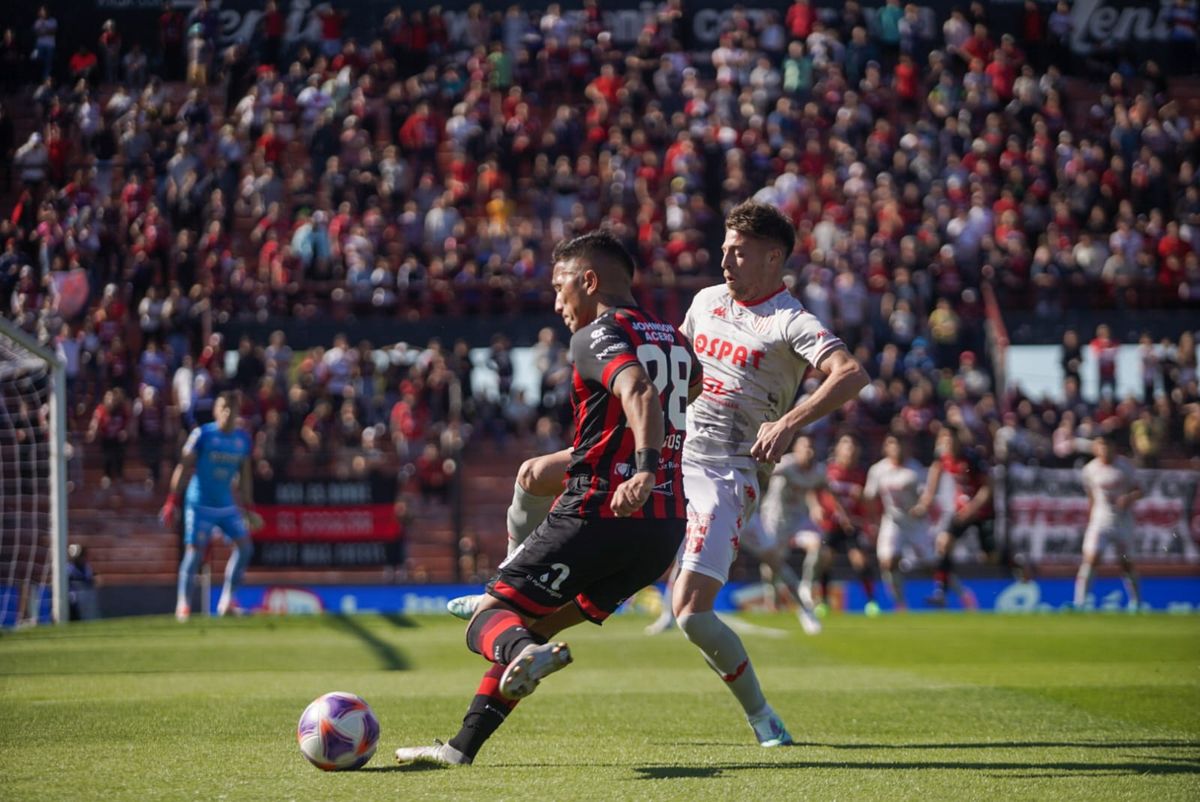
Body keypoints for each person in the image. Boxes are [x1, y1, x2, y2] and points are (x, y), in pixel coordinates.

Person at [447, 201, 867, 748]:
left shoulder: (791, 322)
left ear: (773, 257)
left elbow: (850, 373)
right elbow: (683, 372)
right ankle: (509, 582)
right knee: (532, 474)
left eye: (738, 253)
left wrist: (788, 421)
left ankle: (764, 717)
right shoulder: (707, 301)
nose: (725, 262)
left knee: (690, 613)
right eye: (723, 250)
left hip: (725, 468)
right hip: (671, 446)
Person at [395, 230, 700, 767]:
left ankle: (521, 645)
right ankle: (461, 748)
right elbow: (685, 390)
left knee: (488, 622)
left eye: (561, 288)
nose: (557, 304)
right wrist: (621, 454)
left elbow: (640, 392)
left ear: (589, 280)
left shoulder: (597, 335)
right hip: (661, 530)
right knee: (531, 623)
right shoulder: (674, 337)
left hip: (600, 510)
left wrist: (642, 468)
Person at [160, 391, 259, 622]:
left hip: (225, 504)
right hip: (199, 504)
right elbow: (183, 467)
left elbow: (245, 477)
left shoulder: (242, 440)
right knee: (194, 554)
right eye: (223, 407)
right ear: (216, 410)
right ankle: (183, 606)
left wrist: (248, 507)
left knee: (245, 548)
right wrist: (172, 500)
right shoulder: (202, 435)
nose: (227, 412)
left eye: (232, 408)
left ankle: (227, 602)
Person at [911, 426, 993, 608]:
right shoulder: (942, 458)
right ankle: (940, 592)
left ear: (958, 438)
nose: (945, 440)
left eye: (949, 436)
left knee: (991, 558)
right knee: (943, 542)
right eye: (942, 437)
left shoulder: (972, 457)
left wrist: (972, 508)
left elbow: (988, 488)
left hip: (982, 511)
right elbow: (931, 486)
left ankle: (1017, 574)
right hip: (960, 511)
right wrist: (922, 505)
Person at [758, 433, 827, 633]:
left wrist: (817, 506)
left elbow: (821, 488)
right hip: (775, 520)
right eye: (805, 447)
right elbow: (763, 472)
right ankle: (772, 597)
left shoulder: (818, 471)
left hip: (799, 520)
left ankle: (806, 587)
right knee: (773, 564)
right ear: (795, 449)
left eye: (811, 447)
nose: (809, 451)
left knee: (817, 545)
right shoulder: (785, 465)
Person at [1074, 435, 1143, 610]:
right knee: (1091, 558)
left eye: (1107, 446)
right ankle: (1080, 602)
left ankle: (1136, 602)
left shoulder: (1125, 466)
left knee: (1126, 563)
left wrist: (1128, 498)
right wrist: (1090, 518)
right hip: (1100, 520)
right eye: (1100, 446)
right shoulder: (1090, 470)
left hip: (1122, 521)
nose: (1103, 450)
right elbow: (1091, 497)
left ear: (1114, 447)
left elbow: (1139, 490)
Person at [815, 434, 881, 616]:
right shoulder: (828, 471)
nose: (849, 451)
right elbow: (819, 493)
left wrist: (866, 515)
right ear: (837, 450)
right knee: (825, 559)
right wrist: (818, 508)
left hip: (852, 526)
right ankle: (823, 601)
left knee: (860, 560)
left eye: (852, 447)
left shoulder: (861, 475)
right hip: (832, 525)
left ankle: (871, 601)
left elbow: (868, 503)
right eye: (845, 446)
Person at [863, 433, 927, 611]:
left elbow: (925, 496)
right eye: (892, 444)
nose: (896, 448)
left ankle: (959, 595)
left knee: (930, 564)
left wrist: (921, 507)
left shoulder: (915, 469)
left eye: (900, 444)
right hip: (892, 521)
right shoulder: (878, 470)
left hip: (914, 522)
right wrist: (874, 522)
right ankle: (900, 603)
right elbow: (869, 497)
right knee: (887, 562)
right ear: (886, 447)